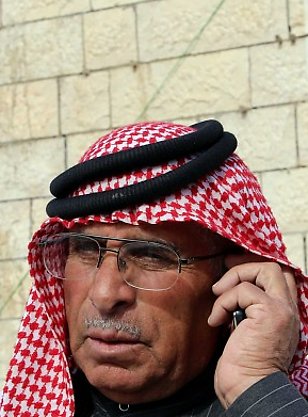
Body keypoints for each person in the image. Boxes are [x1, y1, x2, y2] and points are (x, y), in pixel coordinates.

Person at [0, 119, 307, 417]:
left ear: (236, 279)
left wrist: (254, 388)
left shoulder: (268, 400)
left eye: (151, 255)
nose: (105, 295)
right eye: (84, 249)